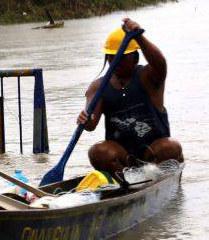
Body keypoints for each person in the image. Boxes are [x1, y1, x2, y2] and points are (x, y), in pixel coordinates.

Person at [77, 18, 184, 177]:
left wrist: (139, 37)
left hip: (154, 153)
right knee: (97, 152)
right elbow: (91, 123)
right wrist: (86, 119)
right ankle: (127, 183)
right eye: (112, 57)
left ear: (135, 57)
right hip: (124, 158)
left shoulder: (149, 76)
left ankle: (154, 179)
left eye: (122, 56)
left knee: (171, 147)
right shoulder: (98, 86)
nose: (116, 61)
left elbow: (161, 64)